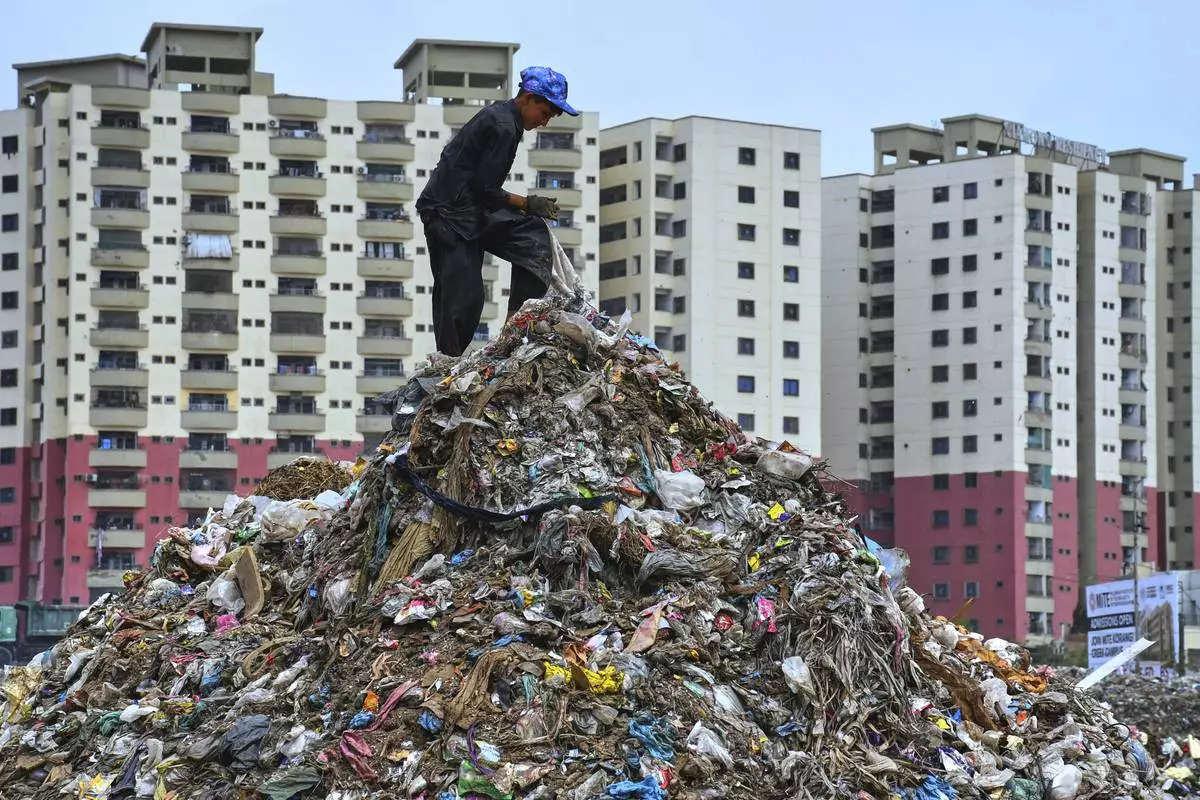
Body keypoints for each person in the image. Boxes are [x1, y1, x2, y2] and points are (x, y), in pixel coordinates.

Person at [416, 66, 580, 357]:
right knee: (462, 298)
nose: (544, 122)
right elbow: (485, 188)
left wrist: (527, 211)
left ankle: (517, 322)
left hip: (472, 210)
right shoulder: (503, 125)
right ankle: (446, 363)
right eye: (545, 113)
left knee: (531, 233)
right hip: (448, 215)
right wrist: (529, 203)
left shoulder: (507, 120)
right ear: (528, 98)